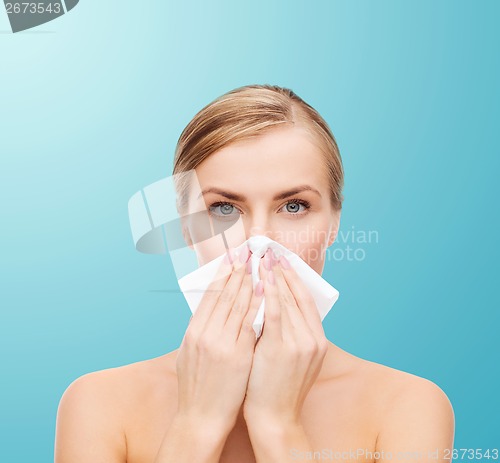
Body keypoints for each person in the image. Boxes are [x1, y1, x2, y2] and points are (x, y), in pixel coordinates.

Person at [54, 85, 454, 463]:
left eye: (294, 206)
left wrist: (277, 424)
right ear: (185, 227)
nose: (259, 242)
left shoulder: (409, 406)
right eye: (224, 208)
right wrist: (197, 424)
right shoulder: (98, 404)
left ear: (334, 224)